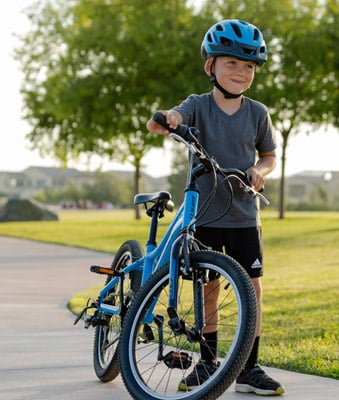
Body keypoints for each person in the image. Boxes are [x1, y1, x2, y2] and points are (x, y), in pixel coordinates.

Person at [146, 19, 285, 396]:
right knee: (209, 288)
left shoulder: (258, 113)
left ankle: (249, 368)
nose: (241, 72)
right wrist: (169, 119)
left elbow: (270, 155)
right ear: (211, 67)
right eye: (232, 63)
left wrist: (260, 169)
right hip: (205, 214)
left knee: (252, 289)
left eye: (249, 66)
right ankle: (208, 362)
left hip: (243, 215)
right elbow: (164, 121)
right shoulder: (198, 106)